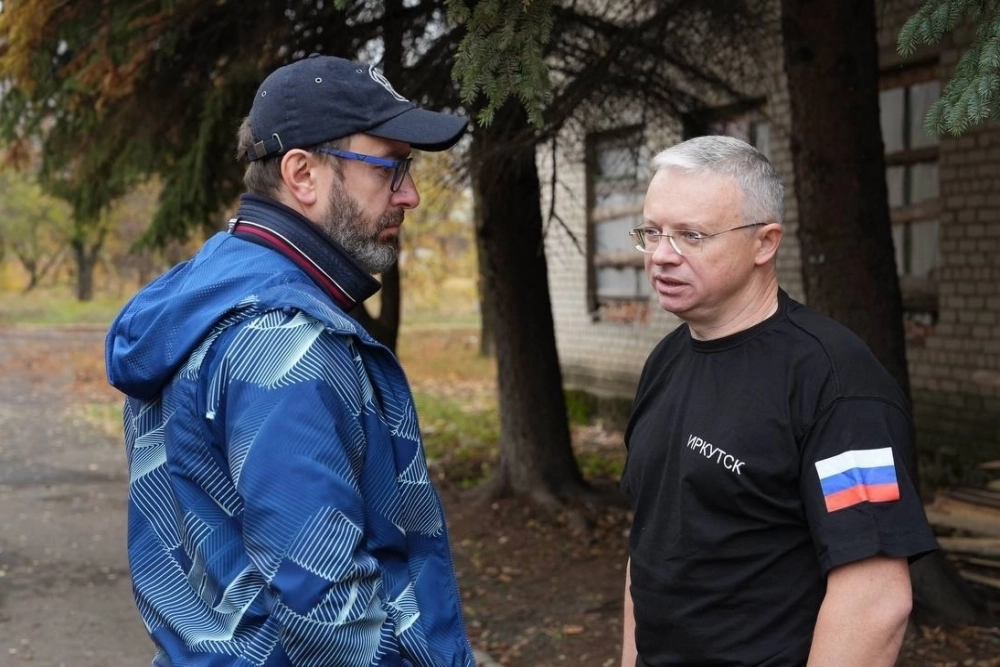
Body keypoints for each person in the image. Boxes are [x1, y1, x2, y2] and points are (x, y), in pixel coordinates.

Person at [106, 54, 475, 667]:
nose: (409, 195)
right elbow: (328, 613)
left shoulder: (213, 291)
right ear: (302, 174)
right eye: (391, 167)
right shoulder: (283, 342)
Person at [619, 135, 938, 667]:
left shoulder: (836, 383)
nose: (660, 256)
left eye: (691, 236)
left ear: (765, 243)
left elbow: (876, 599)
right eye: (652, 232)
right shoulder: (666, 361)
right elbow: (646, 548)